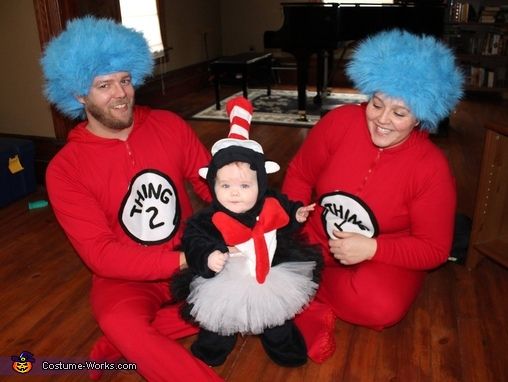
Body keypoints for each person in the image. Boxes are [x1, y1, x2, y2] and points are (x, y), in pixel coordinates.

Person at [41, 16, 222, 381]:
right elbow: (101, 256)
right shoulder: (65, 169)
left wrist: (249, 209)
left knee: (257, 287)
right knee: (117, 319)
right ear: (79, 94)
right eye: (104, 85)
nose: (121, 93)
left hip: (193, 253)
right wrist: (186, 260)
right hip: (125, 276)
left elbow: (213, 188)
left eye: (125, 80)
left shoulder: (169, 126)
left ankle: (121, 348)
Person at [281, 29, 464, 363]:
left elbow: (436, 249)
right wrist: (291, 221)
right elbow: (300, 174)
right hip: (315, 237)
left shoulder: (431, 168)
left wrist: (373, 247)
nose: (381, 120)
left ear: (421, 117)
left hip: (383, 253)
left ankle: (304, 293)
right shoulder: (339, 122)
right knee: (262, 257)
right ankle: (310, 289)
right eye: (377, 104)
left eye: (399, 113)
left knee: (381, 307)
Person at [170, 96, 322, 367]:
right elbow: (193, 239)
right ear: (213, 184)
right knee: (219, 324)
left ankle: (286, 350)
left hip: (270, 276)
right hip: (226, 281)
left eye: (244, 186)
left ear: (261, 184)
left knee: (276, 320)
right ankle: (209, 354)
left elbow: (285, 211)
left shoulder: (270, 204)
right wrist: (207, 256)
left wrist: (297, 215)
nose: (235, 194)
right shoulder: (209, 218)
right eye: (225, 186)